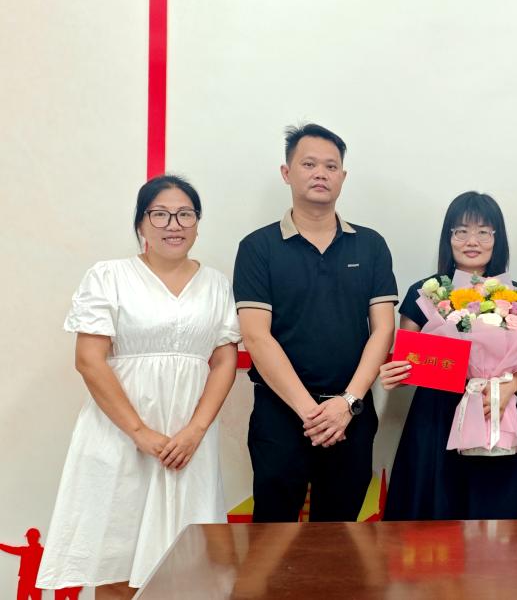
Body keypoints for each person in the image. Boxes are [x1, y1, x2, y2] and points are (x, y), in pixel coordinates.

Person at [36, 175, 240, 598]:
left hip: (188, 445)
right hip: (120, 437)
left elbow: (224, 361)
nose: (174, 225)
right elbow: (89, 360)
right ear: (141, 223)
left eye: (185, 214)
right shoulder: (108, 276)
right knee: (116, 561)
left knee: (191, 564)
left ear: (197, 223)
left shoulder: (216, 284)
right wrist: (140, 432)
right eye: (160, 214)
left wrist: (195, 430)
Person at [234, 123, 398, 523]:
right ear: (286, 172)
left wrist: (347, 403)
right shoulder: (258, 247)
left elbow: (383, 329)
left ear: (343, 176)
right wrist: (311, 412)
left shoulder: (370, 245)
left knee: (340, 534)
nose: (320, 173)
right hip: (280, 412)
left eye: (331, 166)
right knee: (273, 532)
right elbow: (256, 336)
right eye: (309, 164)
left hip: (351, 413)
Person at [379, 191, 517, 519]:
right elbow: (409, 357)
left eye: (483, 231)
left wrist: (510, 386)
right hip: (437, 416)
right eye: (461, 231)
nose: (472, 241)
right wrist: (396, 373)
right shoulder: (425, 292)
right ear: (448, 237)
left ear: (497, 238)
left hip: (496, 409)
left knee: (498, 515)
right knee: (435, 519)